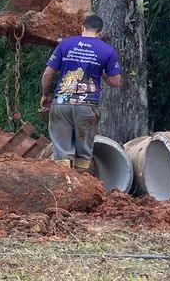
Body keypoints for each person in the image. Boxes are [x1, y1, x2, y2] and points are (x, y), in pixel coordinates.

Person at [40, 15, 122, 171]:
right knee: (83, 153)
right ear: (101, 31)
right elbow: (116, 82)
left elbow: (47, 74)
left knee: (61, 152)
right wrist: (101, 71)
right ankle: (81, 181)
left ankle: (64, 184)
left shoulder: (65, 44)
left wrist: (45, 95)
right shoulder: (107, 50)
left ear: (82, 27)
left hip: (62, 103)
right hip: (87, 105)